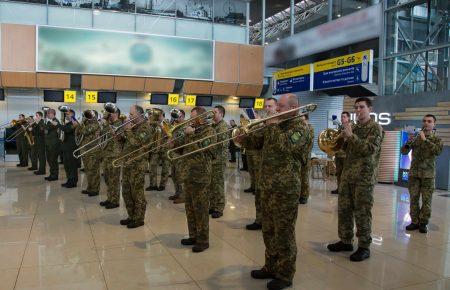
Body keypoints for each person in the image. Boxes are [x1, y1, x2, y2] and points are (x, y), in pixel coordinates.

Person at [238, 94, 310, 290]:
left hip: (286, 189)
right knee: (268, 230)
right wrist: (243, 138)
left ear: (294, 107)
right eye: (277, 105)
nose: (277, 109)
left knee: (284, 232)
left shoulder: (300, 128)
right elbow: (255, 143)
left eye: (281, 106)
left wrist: (273, 125)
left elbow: (285, 147)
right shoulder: (274, 125)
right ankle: (271, 266)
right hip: (267, 186)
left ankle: (285, 274)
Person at [327, 97, 384, 262]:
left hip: (364, 178)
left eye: (361, 107)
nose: (358, 110)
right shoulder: (355, 127)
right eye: (356, 107)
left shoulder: (375, 128)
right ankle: (345, 241)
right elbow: (346, 150)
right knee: (344, 210)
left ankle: (364, 246)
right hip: (348, 175)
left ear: (370, 109)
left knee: (362, 212)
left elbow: (368, 149)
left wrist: (350, 136)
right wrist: (342, 140)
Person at [177, 106, 217, 253]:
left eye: (193, 117)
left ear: (201, 118)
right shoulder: (193, 131)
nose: (190, 120)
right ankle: (193, 235)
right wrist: (174, 143)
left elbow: (202, 150)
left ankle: (203, 240)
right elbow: (183, 150)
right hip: (188, 175)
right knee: (190, 208)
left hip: (201, 176)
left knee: (200, 210)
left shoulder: (210, 131)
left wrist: (190, 136)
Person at [402, 114, 443, 233]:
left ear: (434, 124)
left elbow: (436, 151)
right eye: (424, 121)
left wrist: (425, 140)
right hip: (414, 174)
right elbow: (404, 152)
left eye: (429, 121)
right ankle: (414, 221)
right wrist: (407, 143)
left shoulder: (437, 139)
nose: (426, 123)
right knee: (413, 199)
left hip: (428, 175)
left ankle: (423, 222)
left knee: (426, 200)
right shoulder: (416, 137)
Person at [246, 97, 277, 231]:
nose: (267, 109)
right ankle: (259, 219)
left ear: (276, 108)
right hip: (261, 165)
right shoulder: (264, 123)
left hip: (274, 168)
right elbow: (256, 144)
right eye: (266, 106)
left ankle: (271, 222)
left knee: (272, 198)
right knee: (259, 194)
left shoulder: (279, 123)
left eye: (270, 106)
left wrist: (270, 125)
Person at [119, 105, 152, 229]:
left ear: (139, 114)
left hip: (138, 165)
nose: (129, 117)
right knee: (126, 192)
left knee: (137, 193)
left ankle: (139, 218)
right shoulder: (133, 127)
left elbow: (137, 143)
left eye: (131, 114)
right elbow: (127, 142)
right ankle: (131, 216)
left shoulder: (146, 128)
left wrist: (127, 131)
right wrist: (120, 136)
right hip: (128, 163)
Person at [99, 108, 123, 209]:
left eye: (110, 112)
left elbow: (120, 136)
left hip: (115, 155)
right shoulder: (108, 124)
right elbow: (102, 133)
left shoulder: (120, 124)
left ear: (116, 114)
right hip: (106, 154)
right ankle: (109, 198)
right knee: (107, 179)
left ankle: (115, 201)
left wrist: (106, 124)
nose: (108, 114)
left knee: (114, 179)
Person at [75, 110, 101, 196]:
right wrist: (81, 123)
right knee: (88, 170)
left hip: (93, 150)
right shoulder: (85, 123)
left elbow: (84, 131)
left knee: (94, 171)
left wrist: (82, 123)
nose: (87, 117)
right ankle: (90, 187)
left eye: (89, 115)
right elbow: (77, 131)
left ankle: (95, 189)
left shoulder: (95, 124)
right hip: (85, 150)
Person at [209, 105, 228, 219]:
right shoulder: (213, 125)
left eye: (215, 112)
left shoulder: (223, 126)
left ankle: (219, 208)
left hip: (219, 159)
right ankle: (212, 205)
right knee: (211, 184)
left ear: (221, 114)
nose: (212, 114)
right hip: (212, 159)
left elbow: (222, 144)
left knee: (218, 184)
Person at [147, 110, 170, 192]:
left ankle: (162, 185)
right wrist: (150, 123)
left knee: (165, 168)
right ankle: (153, 185)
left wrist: (160, 126)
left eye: (159, 116)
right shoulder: (152, 123)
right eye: (156, 116)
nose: (157, 117)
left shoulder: (167, 123)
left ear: (163, 116)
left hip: (165, 149)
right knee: (152, 166)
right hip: (155, 149)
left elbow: (169, 134)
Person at [169, 109, 186, 204]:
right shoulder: (176, 126)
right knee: (174, 176)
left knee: (181, 176)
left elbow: (183, 141)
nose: (175, 119)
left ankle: (183, 196)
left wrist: (173, 143)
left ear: (182, 116)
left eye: (177, 116)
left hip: (181, 154)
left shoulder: (185, 126)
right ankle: (177, 193)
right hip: (174, 154)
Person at [331, 111, 351, 195]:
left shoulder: (350, 127)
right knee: (338, 173)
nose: (342, 118)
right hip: (338, 153)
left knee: (345, 173)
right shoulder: (340, 127)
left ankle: (345, 190)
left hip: (345, 154)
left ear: (348, 118)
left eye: (344, 117)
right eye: (342, 116)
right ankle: (339, 188)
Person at [58, 109, 79, 188]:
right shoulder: (68, 123)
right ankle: (69, 180)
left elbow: (67, 129)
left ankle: (73, 182)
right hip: (66, 147)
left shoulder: (75, 122)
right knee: (67, 165)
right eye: (66, 114)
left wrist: (57, 125)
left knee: (72, 165)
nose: (66, 115)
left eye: (67, 114)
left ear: (72, 115)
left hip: (71, 147)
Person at [299, 114, 314, 204]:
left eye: (303, 120)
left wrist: (304, 154)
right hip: (298, 156)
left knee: (304, 177)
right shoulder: (299, 128)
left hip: (305, 156)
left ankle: (304, 195)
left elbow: (310, 143)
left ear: (307, 120)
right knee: (298, 176)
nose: (301, 122)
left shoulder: (309, 128)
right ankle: (298, 194)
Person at [44, 109, 60, 181]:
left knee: (53, 160)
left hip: (53, 144)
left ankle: (55, 175)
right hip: (48, 143)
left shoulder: (55, 121)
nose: (47, 115)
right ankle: (51, 174)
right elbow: (45, 130)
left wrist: (40, 123)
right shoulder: (49, 121)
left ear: (52, 114)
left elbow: (47, 128)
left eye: (48, 113)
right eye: (47, 113)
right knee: (49, 160)